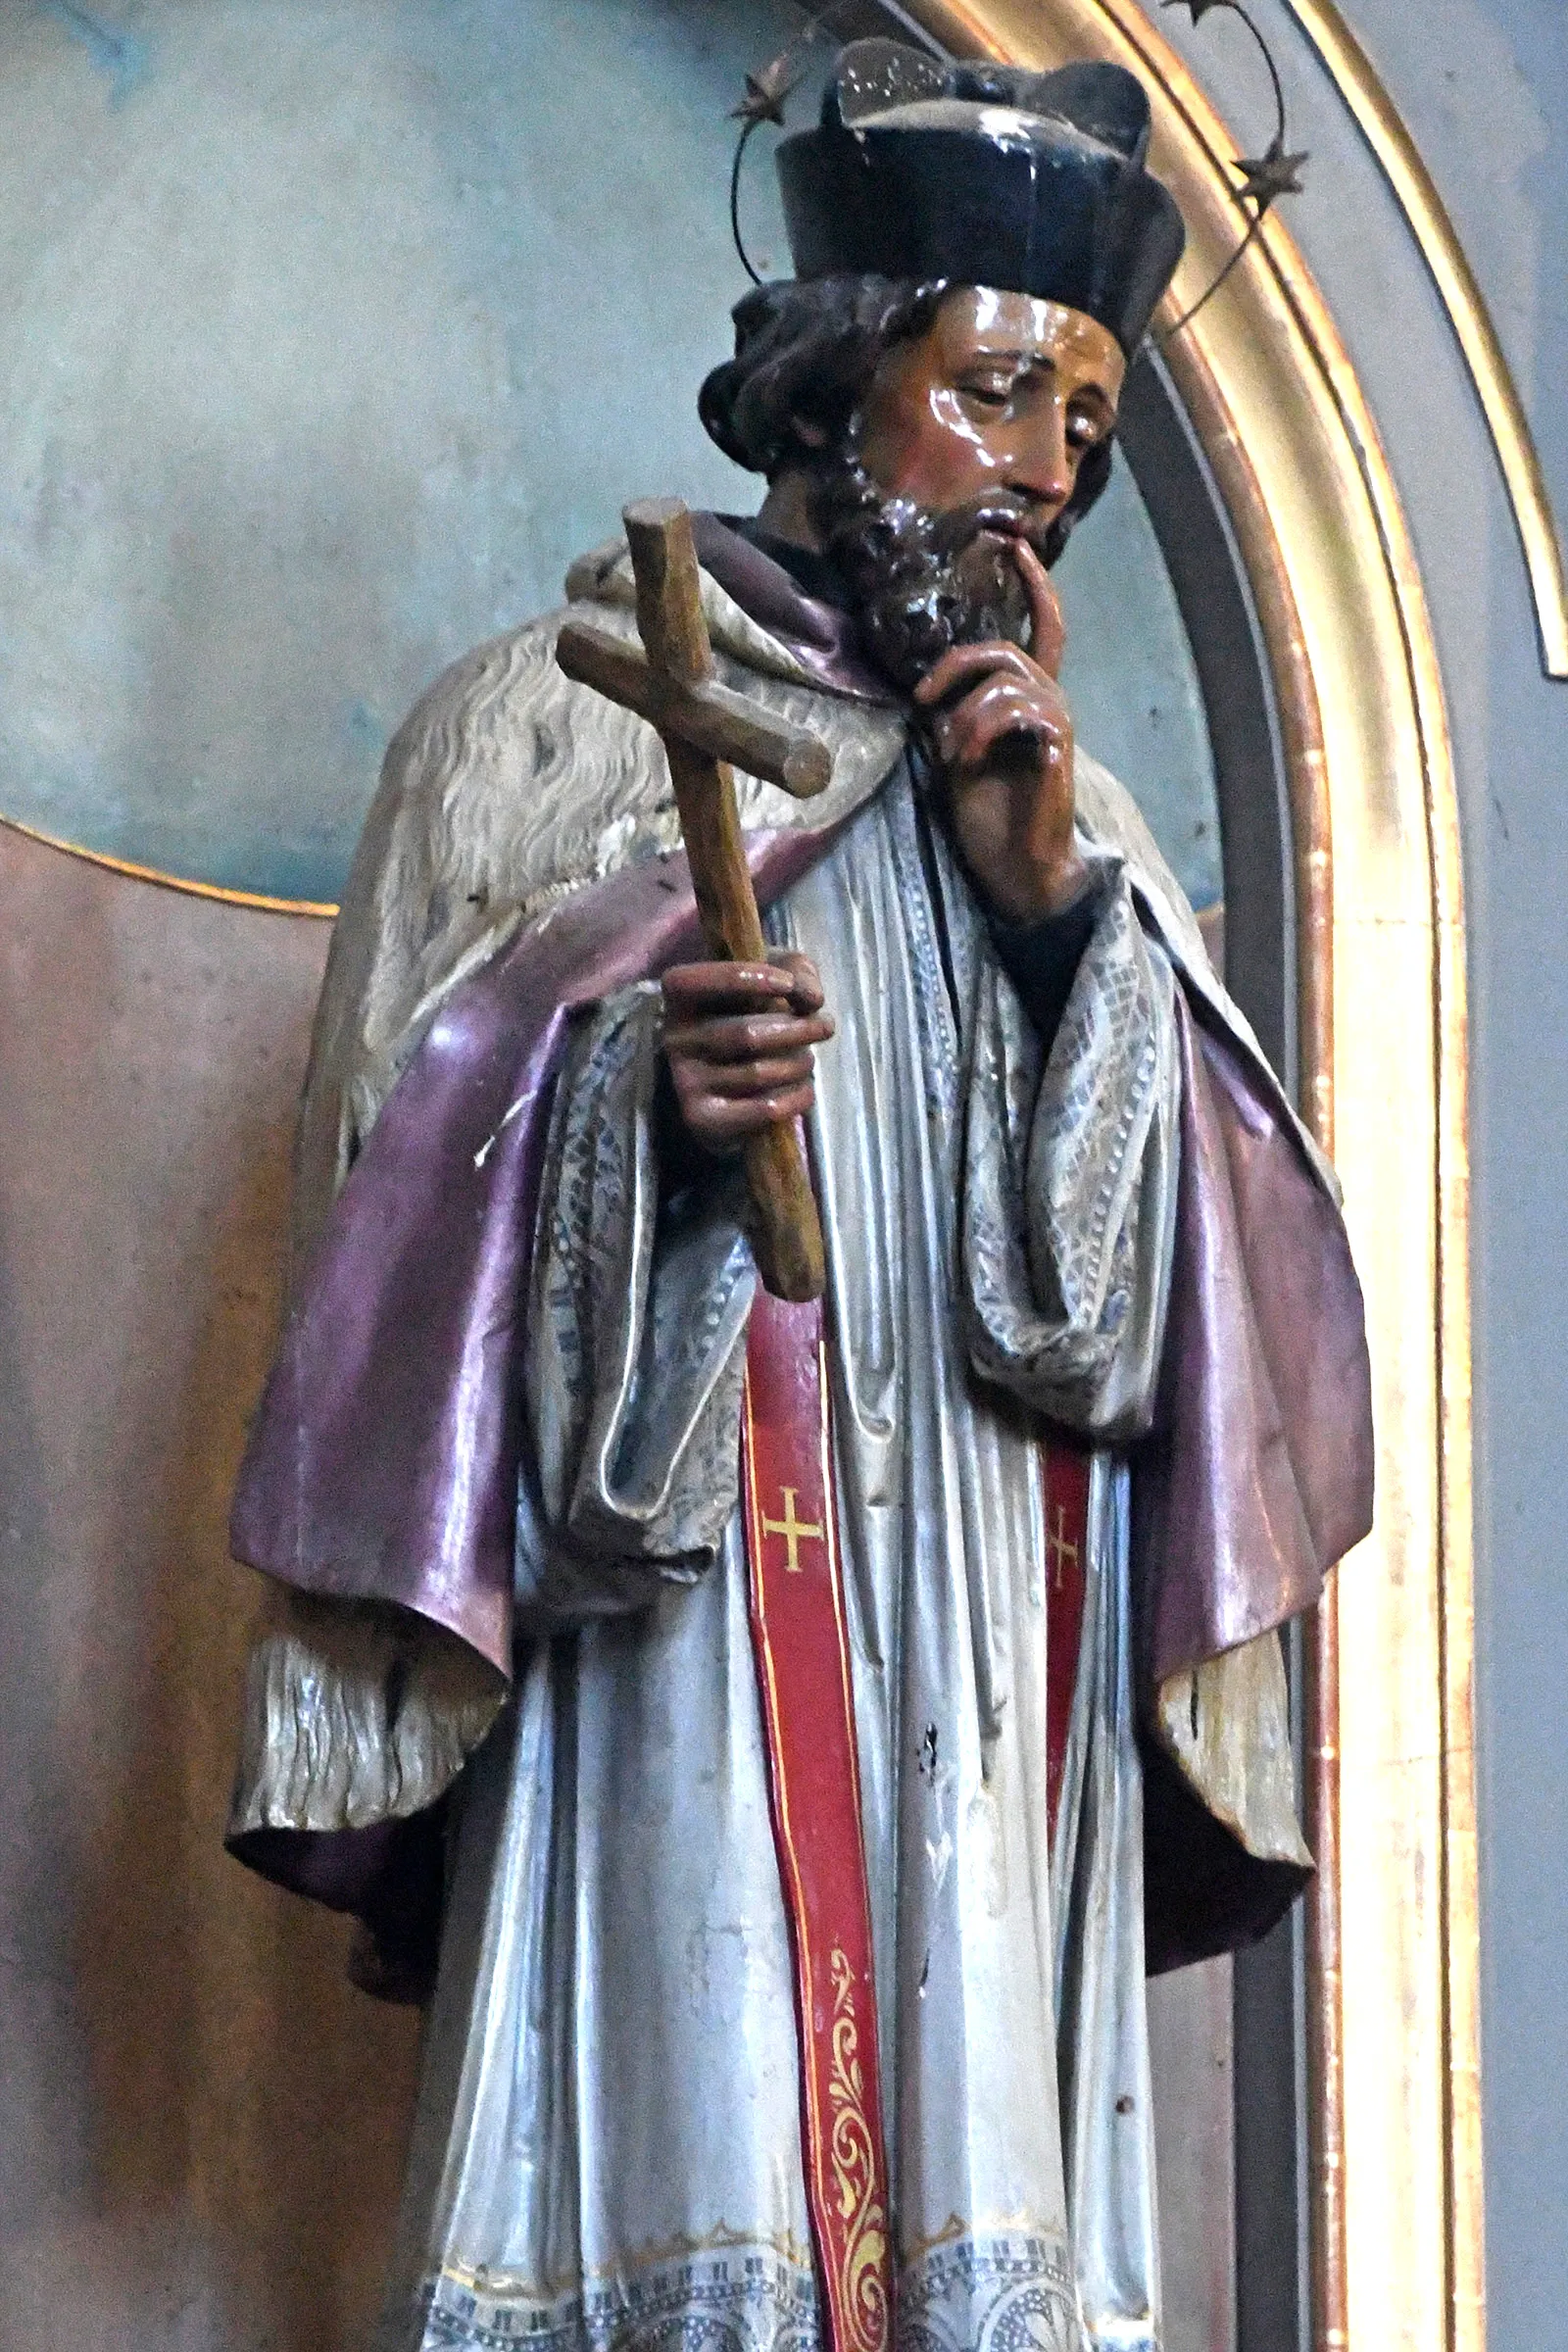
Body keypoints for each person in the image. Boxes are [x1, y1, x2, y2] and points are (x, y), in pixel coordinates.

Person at [225, 43, 1372, 2352]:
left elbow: (1159, 1345)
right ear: (836, 391)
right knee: (704, 2152)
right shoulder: (544, 734)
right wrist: (627, 1114)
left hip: (978, 1626)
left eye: (1082, 422)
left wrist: (1058, 944)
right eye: (987, 393)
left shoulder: (1075, 827)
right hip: (666, 1634)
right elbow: (380, 1243)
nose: (1040, 476)